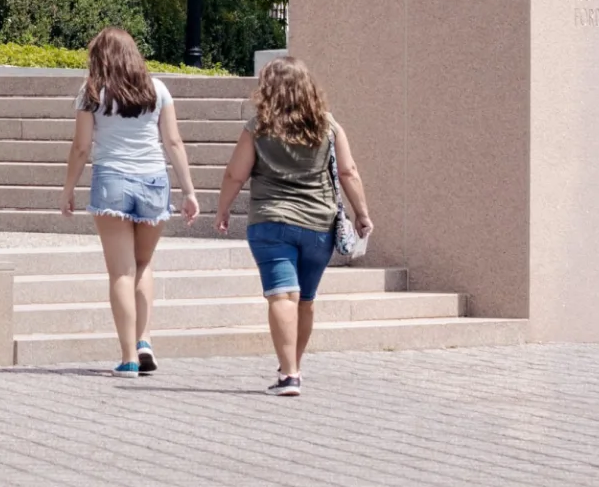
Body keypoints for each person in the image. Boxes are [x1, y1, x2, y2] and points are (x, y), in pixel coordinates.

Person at [216, 56, 375, 397]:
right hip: (319, 224)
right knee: (304, 299)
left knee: (280, 296)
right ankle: (294, 367)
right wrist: (361, 213)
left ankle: (289, 373)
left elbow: (235, 173)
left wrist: (223, 209)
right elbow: (348, 172)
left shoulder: (257, 126)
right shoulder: (328, 125)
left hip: (271, 222)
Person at [59, 27, 200, 377]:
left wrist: (68, 189)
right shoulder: (158, 89)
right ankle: (145, 340)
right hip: (154, 180)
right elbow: (174, 142)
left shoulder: (91, 93)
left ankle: (127, 358)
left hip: (112, 180)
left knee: (121, 271)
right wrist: (189, 191)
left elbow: (80, 147)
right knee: (144, 265)